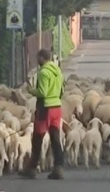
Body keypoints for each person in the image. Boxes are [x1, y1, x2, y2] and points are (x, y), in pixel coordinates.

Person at [19, 49, 65, 180]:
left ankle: (32, 167)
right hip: (57, 107)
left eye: (37, 58)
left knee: (37, 138)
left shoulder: (44, 72)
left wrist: (30, 90)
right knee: (55, 138)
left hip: (45, 108)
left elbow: (43, 92)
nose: (37, 61)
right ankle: (59, 167)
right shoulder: (58, 72)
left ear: (41, 58)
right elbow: (62, 89)